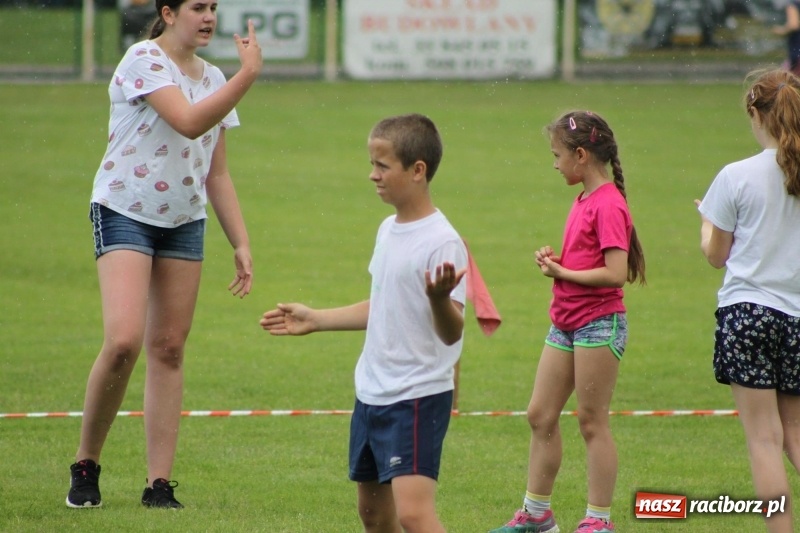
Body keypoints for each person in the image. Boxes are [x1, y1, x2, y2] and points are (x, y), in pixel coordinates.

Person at [66, 0, 262, 509]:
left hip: (183, 220)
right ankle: (86, 463)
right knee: (125, 340)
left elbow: (216, 172)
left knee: (170, 348)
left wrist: (239, 240)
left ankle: (158, 485)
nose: (209, 16)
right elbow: (190, 121)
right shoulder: (143, 59)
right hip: (124, 209)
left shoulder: (215, 74)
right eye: (198, 7)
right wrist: (249, 75)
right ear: (169, 12)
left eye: (214, 7)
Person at [261, 113, 468, 533]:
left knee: (414, 514)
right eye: (372, 164)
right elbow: (383, 305)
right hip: (372, 391)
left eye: (382, 165)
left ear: (417, 170)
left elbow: (452, 331)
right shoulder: (388, 229)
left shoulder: (442, 241)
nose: (372, 175)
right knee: (374, 515)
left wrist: (439, 299)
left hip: (416, 395)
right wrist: (317, 319)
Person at [490, 111, 646, 533]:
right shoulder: (582, 200)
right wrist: (559, 262)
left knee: (592, 421)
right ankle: (537, 514)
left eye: (558, 155)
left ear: (581, 155)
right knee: (540, 414)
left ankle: (598, 522)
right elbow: (589, 259)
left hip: (598, 323)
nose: (555, 163)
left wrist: (564, 274)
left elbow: (615, 274)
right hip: (566, 322)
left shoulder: (609, 203)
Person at [695, 68, 800, 533]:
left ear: (755, 114)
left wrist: (706, 222)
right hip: (797, 318)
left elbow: (716, 256)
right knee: (794, 433)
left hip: (749, 315)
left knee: (763, 439)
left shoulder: (735, 175)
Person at [772, 2, 800, 77]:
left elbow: (793, 25)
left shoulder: (793, 4)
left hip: (797, 51)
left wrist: (780, 30)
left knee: (786, 78)